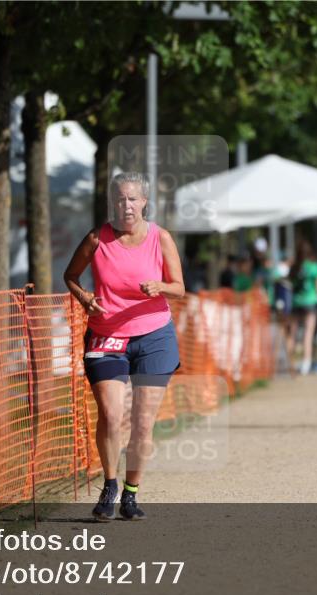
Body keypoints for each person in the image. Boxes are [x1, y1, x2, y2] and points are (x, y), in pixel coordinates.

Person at [63, 172, 184, 521]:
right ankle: (110, 484)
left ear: (144, 201)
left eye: (132, 199)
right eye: (119, 199)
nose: (126, 205)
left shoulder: (160, 238)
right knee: (112, 415)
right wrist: (85, 298)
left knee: (143, 423)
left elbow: (180, 288)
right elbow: (70, 276)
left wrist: (160, 286)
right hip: (107, 334)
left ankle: (131, 494)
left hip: (153, 335)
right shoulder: (96, 239)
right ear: (112, 202)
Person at [292, 241, 317, 375]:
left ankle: (291, 361)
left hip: (296, 302)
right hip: (310, 302)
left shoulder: (295, 267)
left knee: (293, 334)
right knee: (308, 334)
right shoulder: (313, 267)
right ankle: (306, 361)